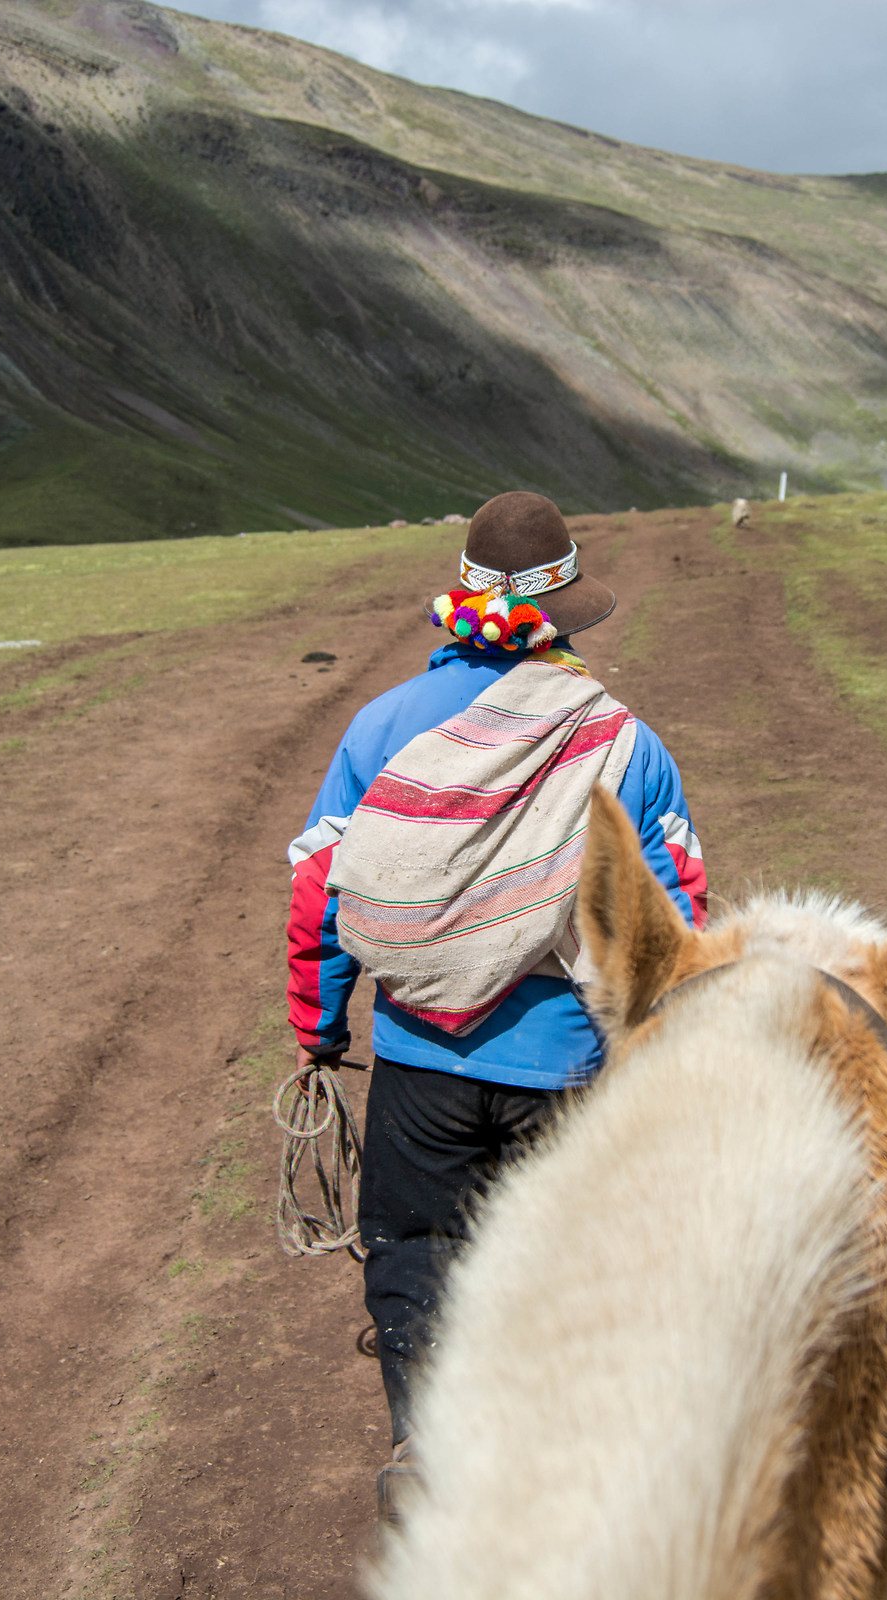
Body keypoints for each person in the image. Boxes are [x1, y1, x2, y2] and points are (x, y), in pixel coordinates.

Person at [284, 490, 705, 1519]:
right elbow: (673, 911)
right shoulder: (622, 740)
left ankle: (428, 1437)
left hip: (420, 1057)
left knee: (418, 1249)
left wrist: (321, 1028)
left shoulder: (379, 726)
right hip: (567, 1066)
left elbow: (319, 891)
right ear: (563, 613)